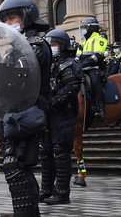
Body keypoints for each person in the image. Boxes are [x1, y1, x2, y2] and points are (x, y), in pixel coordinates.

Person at [0, 0, 51, 217]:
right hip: (13, 112)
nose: (8, 23)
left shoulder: (35, 44)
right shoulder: (13, 48)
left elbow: (23, 75)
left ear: (26, 17)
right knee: (15, 165)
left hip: (28, 111)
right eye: (5, 20)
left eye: (12, 18)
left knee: (17, 164)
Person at [40, 29, 81, 205]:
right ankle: (46, 190)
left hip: (63, 114)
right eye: (49, 44)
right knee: (45, 152)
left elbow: (72, 87)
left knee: (60, 152)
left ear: (63, 45)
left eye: (54, 44)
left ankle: (62, 193)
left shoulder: (69, 64)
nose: (51, 47)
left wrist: (53, 101)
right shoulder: (48, 65)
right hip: (48, 115)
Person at [76, 17, 107, 122]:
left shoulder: (100, 38)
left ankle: (101, 109)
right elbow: (78, 56)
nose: (83, 30)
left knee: (95, 83)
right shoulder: (82, 42)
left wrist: (84, 63)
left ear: (92, 28)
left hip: (94, 68)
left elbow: (98, 54)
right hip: (82, 69)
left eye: (85, 28)